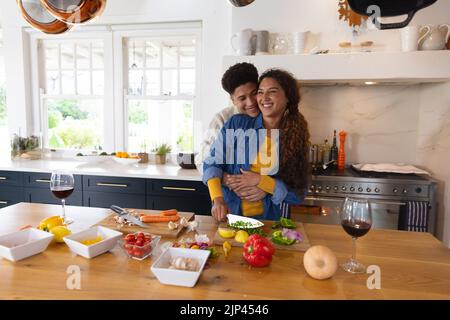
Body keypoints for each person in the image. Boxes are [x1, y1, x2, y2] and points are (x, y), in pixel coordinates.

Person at [203, 68, 311, 221]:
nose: (263, 97)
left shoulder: (295, 137)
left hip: (268, 222)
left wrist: (264, 184)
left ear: (288, 97)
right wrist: (217, 199)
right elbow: (212, 163)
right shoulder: (237, 123)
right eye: (260, 92)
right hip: (231, 216)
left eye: (272, 91)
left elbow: (299, 194)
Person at [196, 62, 266, 202]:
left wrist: (264, 185)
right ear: (233, 100)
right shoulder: (222, 119)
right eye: (242, 98)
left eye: (254, 94)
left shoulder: (269, 115)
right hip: (229, 201)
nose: (251, 102)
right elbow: (204, 160)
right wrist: (225, 178)